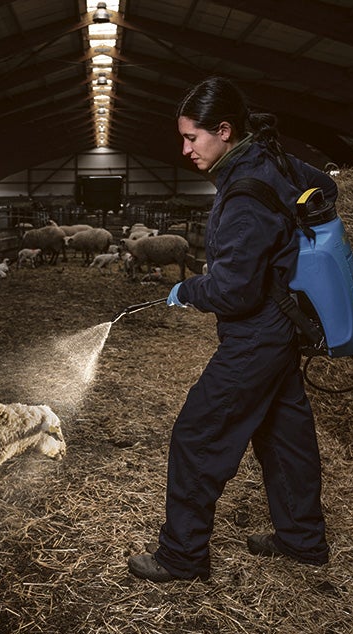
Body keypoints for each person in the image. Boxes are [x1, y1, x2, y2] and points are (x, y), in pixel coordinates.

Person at [128, 77, 336, 583]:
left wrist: (189, 289)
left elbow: (233, 290)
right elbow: (327, 189)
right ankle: (302, 540)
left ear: (223, 131)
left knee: (199, 434)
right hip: (284, 324)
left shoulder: (244, 191)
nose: (184, 149)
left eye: (192, 138)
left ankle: (181, 555)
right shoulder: (271, 159)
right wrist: (293, 255)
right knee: (284, 435)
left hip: (257, 332)